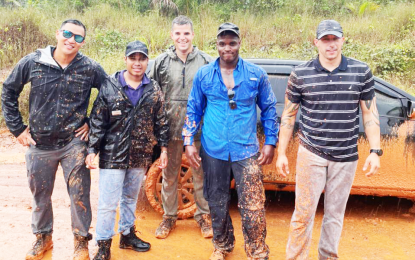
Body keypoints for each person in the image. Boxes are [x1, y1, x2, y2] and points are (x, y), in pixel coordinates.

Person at [276, 20, 382, 260]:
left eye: (335, 39)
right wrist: (282, 152)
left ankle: (328, 256)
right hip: (311, 152)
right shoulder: (300, 73)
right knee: (303, 214)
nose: (331, 44)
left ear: (343, 40)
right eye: (325, 40)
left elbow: (369, 113)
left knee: (335, 214)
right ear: (316, 43)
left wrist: (375, 150)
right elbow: (289, 115)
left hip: (346, 157)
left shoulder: (361, 71)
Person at [1, 19, 107, 260]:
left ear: (83, 42)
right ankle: (43, 238)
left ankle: (81, 243)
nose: (71, 40)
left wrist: (91, 121)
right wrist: (17, 129)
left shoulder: (89, 67)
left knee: (80, 195)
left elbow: (109, 92)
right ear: (58, 33)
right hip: (39, 143)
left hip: (74, 143)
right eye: (68, 34)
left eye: (78, 37)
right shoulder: (34, 61)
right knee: (40, 194)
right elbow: (8, 90)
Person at [183, 22, 278, 260]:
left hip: (246, 151)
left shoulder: (256, 75)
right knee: (216, 201)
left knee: (253, 204)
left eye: (232, 43)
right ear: (216, 45)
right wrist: (188, 140)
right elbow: (193, 109)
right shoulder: (204, 75)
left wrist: (270, 142)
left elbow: (268, 109)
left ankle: (256, 250)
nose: (227, 48)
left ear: (239, 44)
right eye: (222, 43)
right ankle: (223, 245)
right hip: (213, 149)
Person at [86, 40, 169, 260]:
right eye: (133, 58)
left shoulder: (153, 89)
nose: (137, 63)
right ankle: (103, 244)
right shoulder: (110, 86)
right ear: (125, 60)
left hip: (140, 154)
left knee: (130, 199)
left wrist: (164, 149)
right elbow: (97, 120)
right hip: (112, 155)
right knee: (107, 203)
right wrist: (92, 149)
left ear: (147, 62)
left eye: (142, 58)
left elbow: (161, 121)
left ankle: (127, 234)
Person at [149, 15, 213, 239]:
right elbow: (149, 91)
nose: (182, 37)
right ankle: (169, 217)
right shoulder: (160, 62)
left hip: (199, 131)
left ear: (193, 35)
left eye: (186, 33)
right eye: (178, 33)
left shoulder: (206, 61)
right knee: (169, 175)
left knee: (200, 174)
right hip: (170, 130)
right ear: (172, 35)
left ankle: (204, 217)